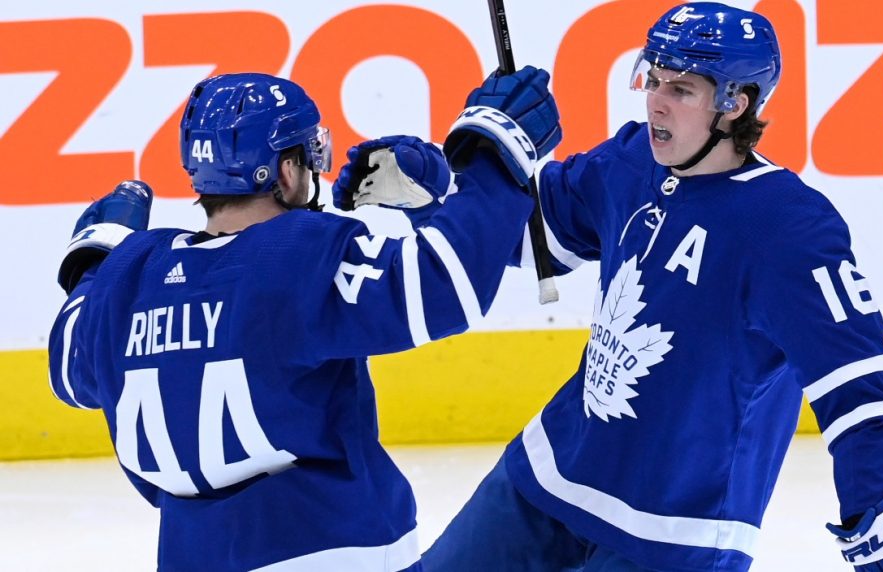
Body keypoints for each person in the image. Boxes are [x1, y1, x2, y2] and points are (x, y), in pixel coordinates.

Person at [360, 3, 883, 571]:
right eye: (654, 79)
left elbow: (855, 380)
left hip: (675, 532)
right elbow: (534, 231)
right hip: (548, 474)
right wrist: (439, 188)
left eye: (681, 90)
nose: (656, 102)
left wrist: (878, 506)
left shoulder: (787, 228)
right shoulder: (630, 162)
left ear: (735, 104)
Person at [46, 69, 560, 571]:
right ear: (286, 173)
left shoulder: (128, 275)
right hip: (334, 549)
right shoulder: (296, 254)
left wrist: (93, 262)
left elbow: (69, 369)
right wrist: (494, 154)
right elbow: (443, 287)